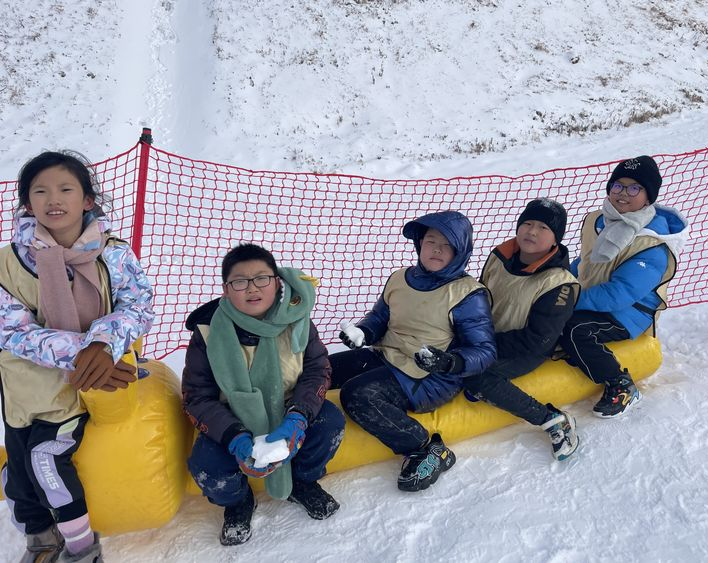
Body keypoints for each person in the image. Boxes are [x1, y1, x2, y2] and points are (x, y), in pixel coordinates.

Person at [0, 151, 155, 563]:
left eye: (66, 189)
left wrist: (105, 342)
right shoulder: (8, 263)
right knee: (19, 476)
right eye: (40, 191)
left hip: (93, 387)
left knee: (46, 459)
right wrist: (84, 352)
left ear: (87, 199)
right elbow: (12, 331)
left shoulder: (113, 254)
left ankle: (83, 549)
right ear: (27, 203)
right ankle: (40, 539)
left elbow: (138, 306)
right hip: (26, 387)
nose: (54, 199)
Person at [182, 243, 344, 546]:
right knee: (207, 467)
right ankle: (239, 501)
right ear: (226, 290)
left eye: (261, 278)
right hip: (232, 417)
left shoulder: (297, 320)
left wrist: (299, 416)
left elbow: (317, 370)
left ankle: (302, 481)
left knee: (330, 425)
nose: (252, 288)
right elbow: (197, 397)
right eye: (240, 281)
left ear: (277, 282)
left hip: (289, 406)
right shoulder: (207, 333)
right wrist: (233, 436)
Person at [330, 210, 496, 492]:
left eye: (446, 244)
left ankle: (425, 447)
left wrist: (449, 362)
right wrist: (364, 333)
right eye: (431, 241)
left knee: (357, 395)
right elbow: (379, 318)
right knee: (326, 368)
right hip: (386, 355)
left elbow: (484, 350)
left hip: (429, 377)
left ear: (459, 251)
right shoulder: (400, 278)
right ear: (420, 243)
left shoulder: (467, 294)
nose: (436, 249)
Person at [557, 155, 689, 417]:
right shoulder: (599, 220)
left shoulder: (652, 243)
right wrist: (559, 285)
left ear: (648, 197)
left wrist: (570, 301)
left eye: (634, 188)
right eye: (618, 185)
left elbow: (620, 294)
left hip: (629, 311)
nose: (623, 193)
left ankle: (620, 383)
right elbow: (584, 262)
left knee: (575, 329)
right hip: (592, 293)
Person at [463, 198, 581, 461]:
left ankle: (551, 419)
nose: (532, 231)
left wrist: (483, 347)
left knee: (476, 375)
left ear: (556, 239)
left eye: (543, 228)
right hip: (485, 335)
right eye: (527, 223)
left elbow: (538, 340)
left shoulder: (559, 284)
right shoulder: (500, 256)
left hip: (525, 349)